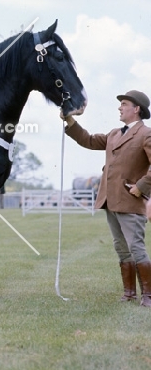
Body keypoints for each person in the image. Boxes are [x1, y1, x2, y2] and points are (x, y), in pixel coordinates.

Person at [62, 90, 151, 307]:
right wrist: (70, 119)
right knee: (121, 248)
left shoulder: (146, 134)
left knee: (136, 247)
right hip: (110, 201)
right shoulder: (113, 134)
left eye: (124, 104)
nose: (119, 107)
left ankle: (148, 296)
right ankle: (129, 293)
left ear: (136, 109)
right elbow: (89, 140)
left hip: (130, 201)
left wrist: (140, 188)